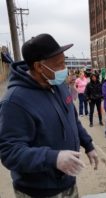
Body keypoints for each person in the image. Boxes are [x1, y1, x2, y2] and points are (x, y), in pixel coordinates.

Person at [0, 33, 98, 198]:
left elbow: (72, 118)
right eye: (59, 65)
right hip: (39, 192)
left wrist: (88, 144)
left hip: (68, 182)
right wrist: (53, 158)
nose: (64, 68)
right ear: (39, 67)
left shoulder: (58, 84)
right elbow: (9, 152)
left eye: (64, 62)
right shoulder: (15, 101)